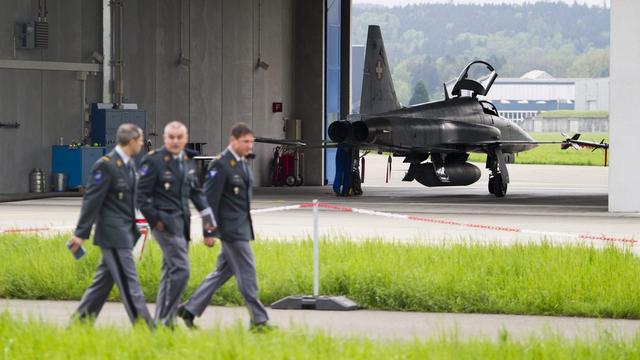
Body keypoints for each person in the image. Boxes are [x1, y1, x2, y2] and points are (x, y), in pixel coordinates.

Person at [177, 122, 272, 331]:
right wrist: (208, 231)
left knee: (221, 273)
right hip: (231, 232)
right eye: (245, 142)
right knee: (248, 273)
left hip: (241, 228)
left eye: (251, 142)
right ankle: (259, 320)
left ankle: (189, 309)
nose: (250, 146)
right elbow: (209, 200)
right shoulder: (221, 164)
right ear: (233, 141)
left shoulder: (242, 162)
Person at [68, 123, 153, 328]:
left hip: (125, 232)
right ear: (132, 141)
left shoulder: (129, 164)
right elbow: (92, 200)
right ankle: (147, 329)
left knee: (101, 285)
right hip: (113, 235)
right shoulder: (106, 165)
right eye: (141, 140)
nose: (142, 144)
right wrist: (81, 234)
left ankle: (78, 327)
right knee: (129, 282)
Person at [136, 121, 216, 327]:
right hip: (164, 225)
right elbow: (141, 196)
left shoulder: (188, 160)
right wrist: (156, 220)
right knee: (182, 270)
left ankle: (164, 321)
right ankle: (165, 318)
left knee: (170, 272)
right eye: (171, 137)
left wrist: (209, 224)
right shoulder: (153, 161)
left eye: (179, 137)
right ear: (165, 138)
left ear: (186, 139)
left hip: (182, 226)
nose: (175, 141)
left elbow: (197, 194)